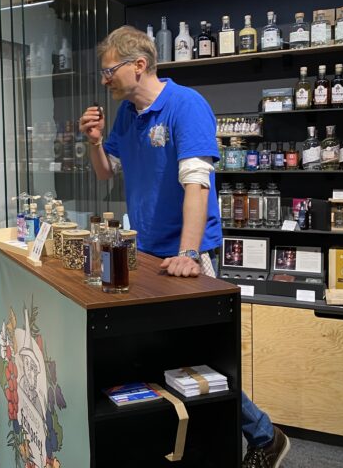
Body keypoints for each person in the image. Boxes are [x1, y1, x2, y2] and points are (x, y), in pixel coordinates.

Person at [79, 26, 290, 468]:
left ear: (139, 65)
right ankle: (190, 439)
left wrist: (189, 254)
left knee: (202, 356)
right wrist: (94, 143)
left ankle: (264, 435)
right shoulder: (127, 116)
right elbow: (104, 173)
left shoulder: (186, 105)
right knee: (170, 353)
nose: (105, 80)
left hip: (186, 254)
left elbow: (197, 184)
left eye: (109, 70)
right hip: (149, 252)